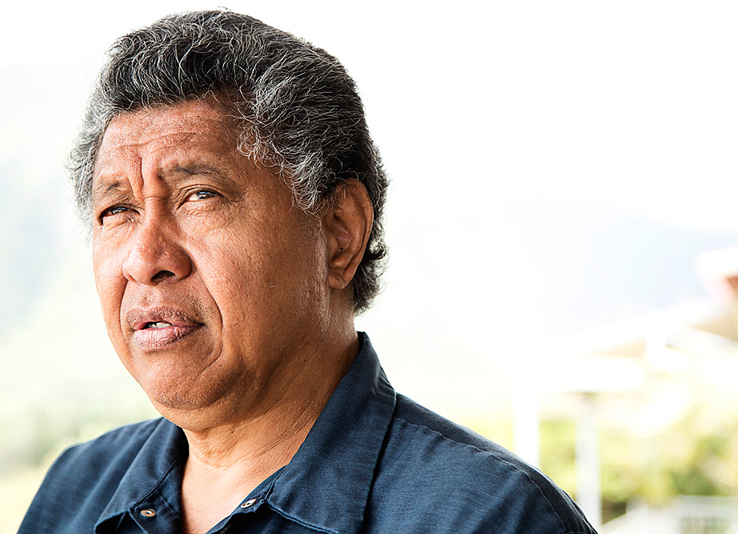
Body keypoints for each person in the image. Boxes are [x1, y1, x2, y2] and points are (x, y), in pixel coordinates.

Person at [19, 10, 597, 534]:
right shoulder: (75, 493)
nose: (144, 260)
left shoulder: (489, 517)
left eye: (200, 195)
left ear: (340, 234)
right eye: (118, 210)